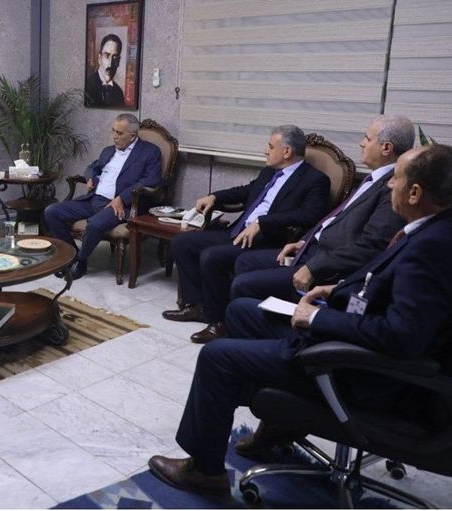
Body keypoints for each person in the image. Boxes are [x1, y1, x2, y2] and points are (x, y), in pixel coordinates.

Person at [147, 144, 452, 496]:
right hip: (351, 330)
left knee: (217, 357)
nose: (389, 185)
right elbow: (389, 291)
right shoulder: (431, 230)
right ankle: (280, 423)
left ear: (415, 193)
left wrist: (318, 317)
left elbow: (400, 336)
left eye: (396, 179)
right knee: (243, 310)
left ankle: (205, 471)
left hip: (359, 370)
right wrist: (337, 289)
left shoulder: (432, 248)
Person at [162, 125, 330, 343]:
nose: (266, 151)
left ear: (287, 151)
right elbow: (246, 191)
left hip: (266, 240)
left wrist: (263, 223)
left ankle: (219, 321)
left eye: (270, 146)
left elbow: (309, 215)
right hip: (238, 231)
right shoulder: (270, 172)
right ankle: (198, 306)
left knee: (211, 256)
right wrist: (214, 196)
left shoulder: (315, 179)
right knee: (182, 242)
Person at [230, 116, 412, 302]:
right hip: (310, 249)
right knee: (245, 261)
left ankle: (260, 317)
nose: (361, 143)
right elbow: (337, 220)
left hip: (328, 266)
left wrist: (314, 268)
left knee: (243, 285)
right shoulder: (373, 179)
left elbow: (371, 246)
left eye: (367, 138)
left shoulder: (393, 188)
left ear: (386, 148)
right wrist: (304, 241)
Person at [43, 113, 162, 279]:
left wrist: (122, 198)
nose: (114, 136)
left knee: (94, 224)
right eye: (113, 130)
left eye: (119, 133)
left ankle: (81, 262)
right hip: (94, 199)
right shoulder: (108, 151)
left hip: (120, 205)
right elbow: (92, 167)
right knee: (51, 211)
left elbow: (151, 179)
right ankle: (72, 256)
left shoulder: (149, 152)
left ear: (132, 136)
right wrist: (90, 177)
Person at [84, 33, 125, 107]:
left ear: (118, 61)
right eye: (107, 56)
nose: (110, 63)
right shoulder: (88, 86)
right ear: (100, 58)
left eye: (115, 57)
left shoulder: (119, 93)